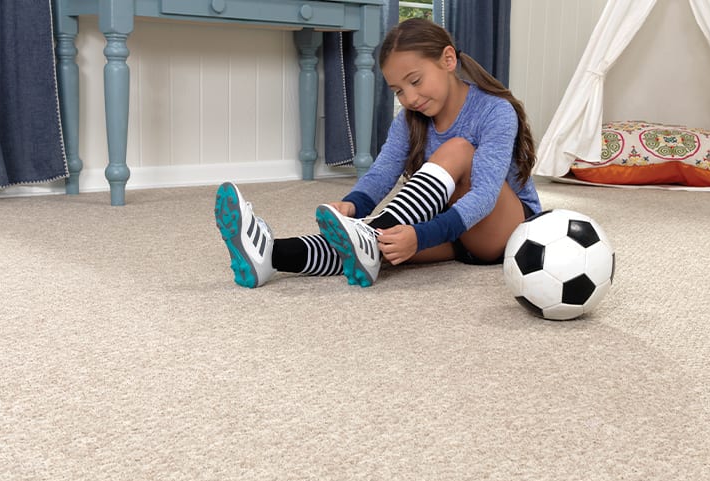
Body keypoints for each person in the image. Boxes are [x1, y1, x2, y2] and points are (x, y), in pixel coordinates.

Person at [214, 17, 541, 288]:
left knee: (458, 149)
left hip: (504, 231)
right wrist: (353, 204)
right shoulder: (409, 120)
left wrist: (421, 234)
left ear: (448, 60)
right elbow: (381, 174)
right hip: (455, 233)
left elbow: (484, 195)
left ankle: (370, 233)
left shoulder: (494, 111)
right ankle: (269, 255)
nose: (410, 98)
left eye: (415, 81)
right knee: (376, 248)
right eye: (399, 91)